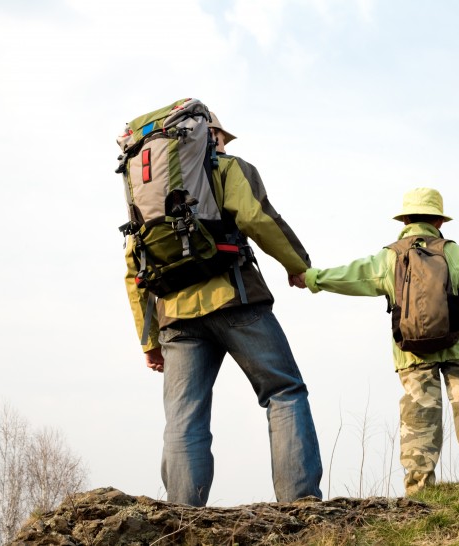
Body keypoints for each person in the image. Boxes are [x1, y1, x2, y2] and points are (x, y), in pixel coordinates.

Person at [123, 110, 323, 505]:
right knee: (283, 390)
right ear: (207, 135)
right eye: (223, 138)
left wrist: (148, 340)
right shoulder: (230, 169)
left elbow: (134, 266)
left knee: (183, 419)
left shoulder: (145, 193)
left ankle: (181, 516)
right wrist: (298, 265)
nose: (225, 145)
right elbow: (256, 218)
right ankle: (299, 505)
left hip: (175, 317)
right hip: (236, 298)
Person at [298, 187, 459, 495]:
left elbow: (351, 275)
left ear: (404, 219)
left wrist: (313, 278)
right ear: (439, 221)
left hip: (411, 351)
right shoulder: (450, 251)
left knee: (419, 416)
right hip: (458, 343)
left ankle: (419, 486)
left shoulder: (388, 258)